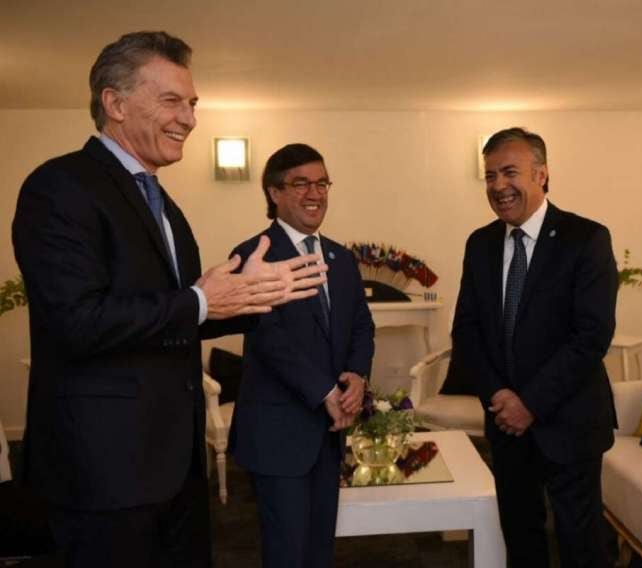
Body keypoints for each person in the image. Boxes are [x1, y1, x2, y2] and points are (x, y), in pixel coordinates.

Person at [11, 31, 326, 568]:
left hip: (176, 466)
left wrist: (246, 298)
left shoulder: (164, 205)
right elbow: (77, 322)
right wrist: (202, 301)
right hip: (105, 471)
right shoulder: (60, 186)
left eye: (193, 103)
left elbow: (172, 316)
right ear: (115, 103)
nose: (190, 118)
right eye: (172, 101)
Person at [451, 127, 618, 567]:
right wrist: (499, 396)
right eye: (490, 176)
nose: (498, 186)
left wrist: (530, 403)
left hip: (571, 424)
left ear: (541, 175)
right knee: (521, 541)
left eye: (510, 172)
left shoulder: (587, 239)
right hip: (506, 426)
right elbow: (466, 331)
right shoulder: (480, 244)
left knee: (581, 547)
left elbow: (591, 336)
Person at [228, 143, 375, 568]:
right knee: (287, 554)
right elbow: (268, 337)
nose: (315, 193)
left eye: (322, 183)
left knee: (319, 551)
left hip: (329, 434)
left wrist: (356, 375)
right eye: (300, 184)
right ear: (274, 192)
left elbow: (361, 325)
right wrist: (327, 391)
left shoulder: (340, 258)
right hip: (278, 434)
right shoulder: (253, 255)